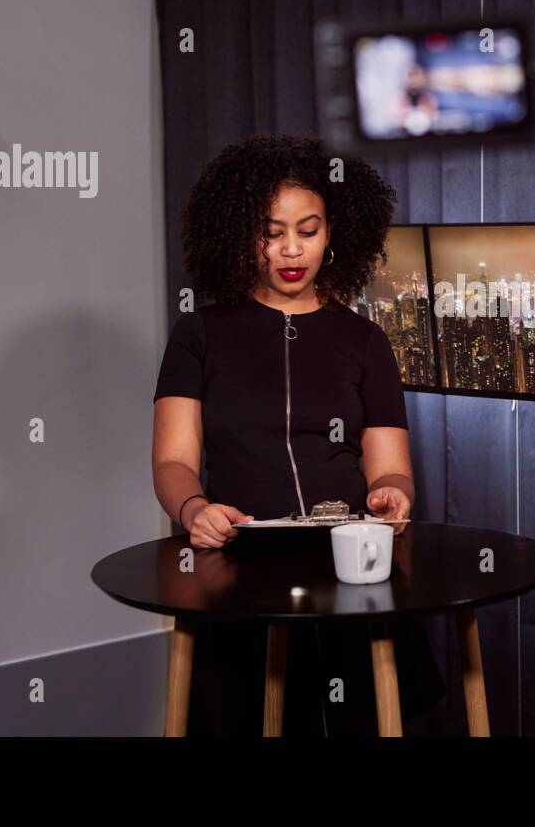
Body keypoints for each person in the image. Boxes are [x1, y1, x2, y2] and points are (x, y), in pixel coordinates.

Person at [151, 132, 446, 735]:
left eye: (307, 230)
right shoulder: (197, 334)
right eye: (271, 231)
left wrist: (392, 494)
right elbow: (173, 463)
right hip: (237, 571)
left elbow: (389, 467)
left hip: (347, 572)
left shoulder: (366, 341)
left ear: (332, 233)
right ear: (242, 234)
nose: (291, 249)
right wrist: (194, 507)